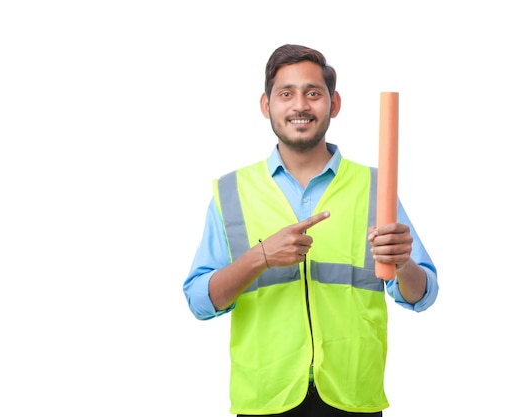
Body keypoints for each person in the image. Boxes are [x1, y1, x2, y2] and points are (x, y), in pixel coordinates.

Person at [183, 44, 438, 416]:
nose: (300, 105)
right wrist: (261, 257)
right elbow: (200, 302)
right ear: (265, 105)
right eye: (286, 93)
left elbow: (421, 295)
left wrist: (403, 265)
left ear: (333, 104)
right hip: (266, 398)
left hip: (353, 396)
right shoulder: (231, 191)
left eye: (313, 93)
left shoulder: (375, 188)